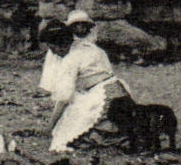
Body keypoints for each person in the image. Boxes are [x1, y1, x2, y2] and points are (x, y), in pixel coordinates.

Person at [40, 17, 123, 153]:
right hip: (118, 89)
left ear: (62, 45)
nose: (53, 53)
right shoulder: (90, 47)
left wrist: (50, 126)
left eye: (52, 48)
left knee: (66, 129)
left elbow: (64, 97)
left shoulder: (71, 59)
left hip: (101, 95)